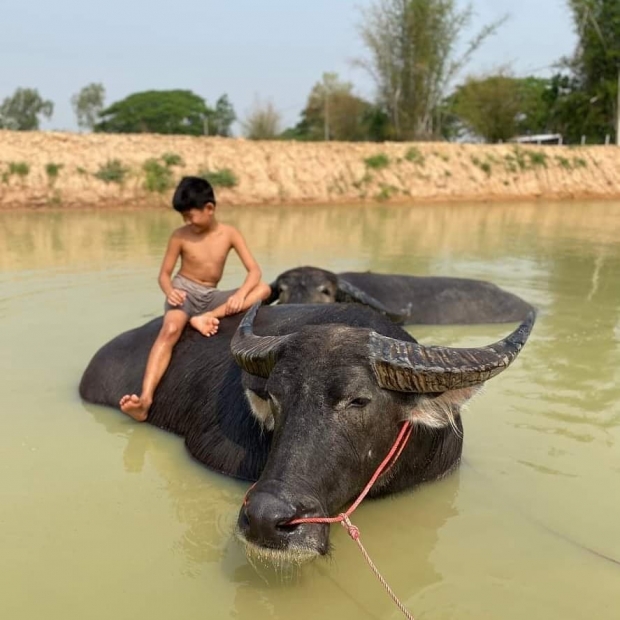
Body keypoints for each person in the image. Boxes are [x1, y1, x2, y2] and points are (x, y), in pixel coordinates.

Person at [119, 176, 271, 422]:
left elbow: (254, 271)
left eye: (190, 215)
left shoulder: (230, 234)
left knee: (262, 289)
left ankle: (206, 317)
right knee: (169, 329)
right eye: (184, 217)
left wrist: (241, 294)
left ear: (209, 209)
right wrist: (170, 291)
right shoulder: (180, 236)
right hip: (185, 293)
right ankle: (145, 400)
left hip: (211, 296)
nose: (187, 221)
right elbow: (164, 275)